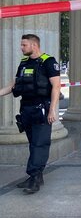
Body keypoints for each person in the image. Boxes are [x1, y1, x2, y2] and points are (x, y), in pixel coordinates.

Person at [0, 34, 61, 194]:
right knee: (34, 143)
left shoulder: (49, 61)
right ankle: (37, 176)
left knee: (39, 144)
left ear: (34, 45)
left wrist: (52, 109)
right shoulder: (24, 62)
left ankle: (34, 178)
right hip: (26, 109)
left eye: (24, 45)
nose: (21, 48)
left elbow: (56, 86)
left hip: (41, 109)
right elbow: (14, 84)